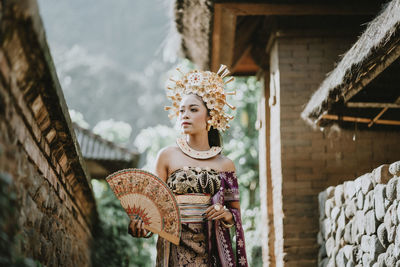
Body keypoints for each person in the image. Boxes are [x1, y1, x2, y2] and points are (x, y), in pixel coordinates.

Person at [128, 65, 248, 266]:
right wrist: (141, 226)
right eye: (182, 110)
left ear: (211, 117)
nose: (185, 115)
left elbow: (234, 213)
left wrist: (225, 214)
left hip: (212, 250)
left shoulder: (225, 164)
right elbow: (153, 209)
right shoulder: (166, 156)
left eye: (193, 110)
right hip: (173, 247)